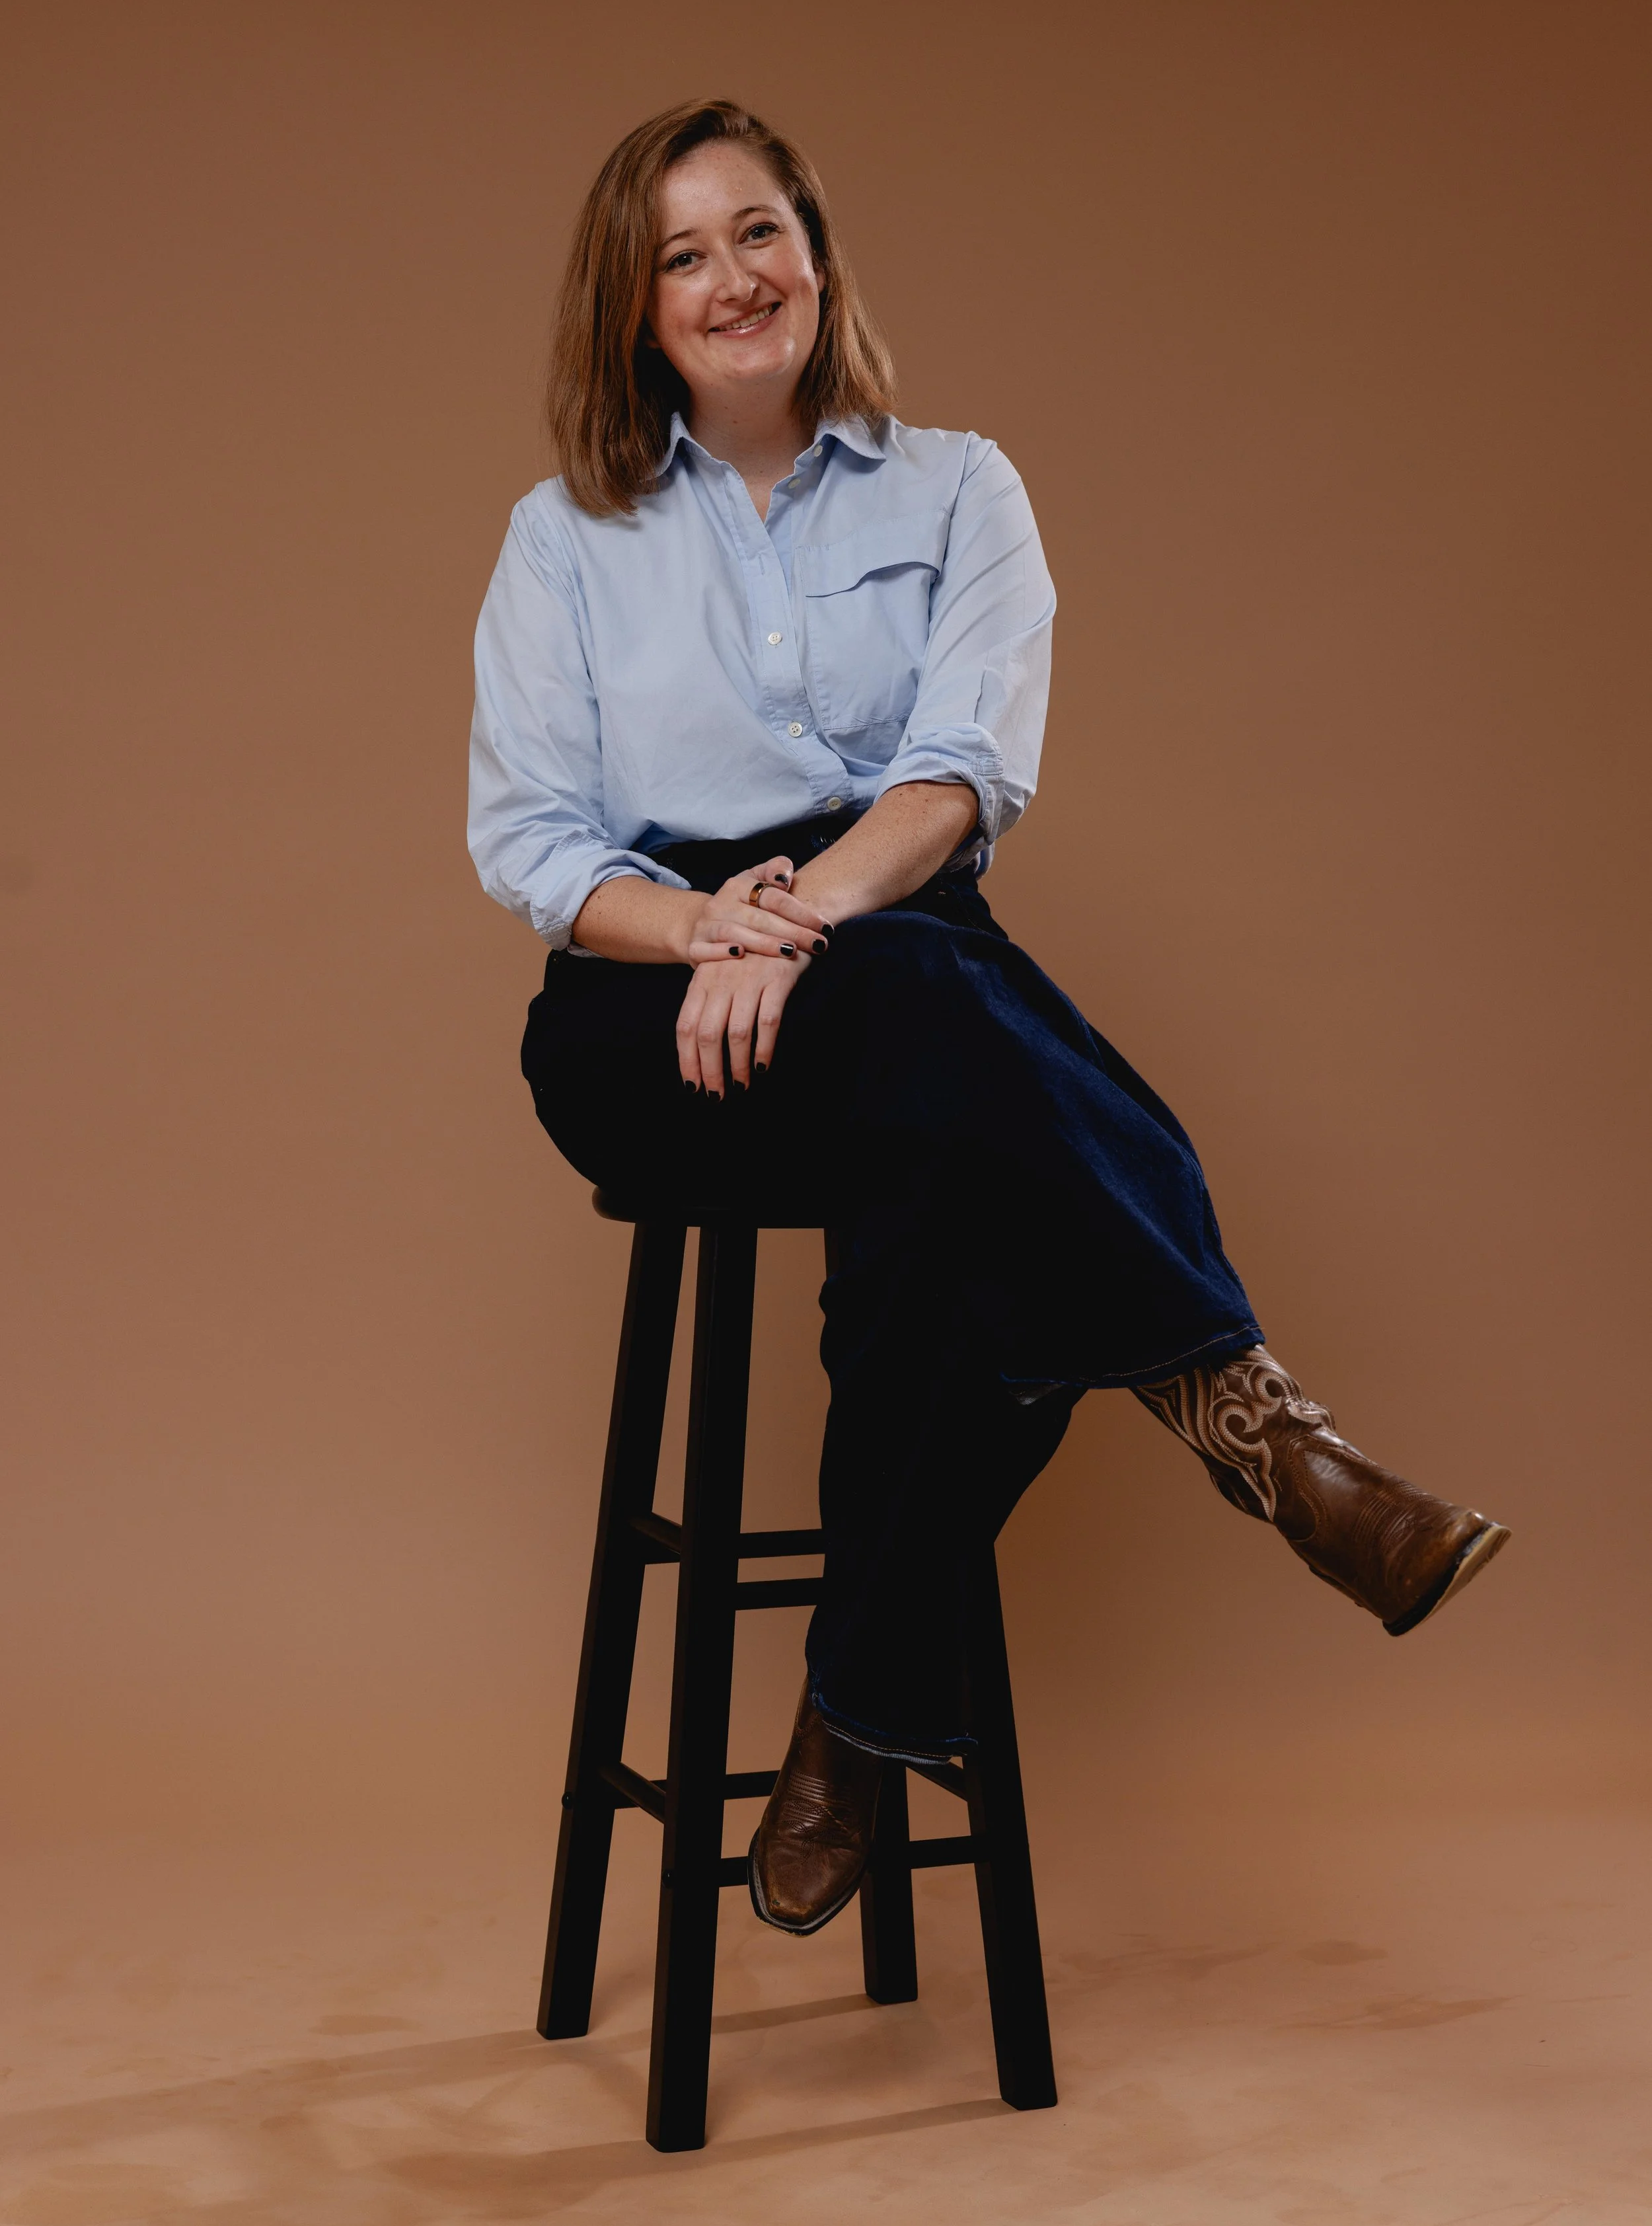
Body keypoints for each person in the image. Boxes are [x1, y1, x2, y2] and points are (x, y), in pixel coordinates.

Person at [469, 99, 1510, 1940]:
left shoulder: (960, 487)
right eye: (682, 252)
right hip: (650, 1007)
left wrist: (804, 924)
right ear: (628, 306)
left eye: (760, 230)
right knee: (964, 1052)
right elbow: (535, 843)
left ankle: (854, 1721)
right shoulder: (567, 538)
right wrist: (716, 921)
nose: (732, 278)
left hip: (892, 955)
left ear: (819, 251)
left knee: (945, 1138)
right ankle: (1249, 1421)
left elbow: (958, 775)